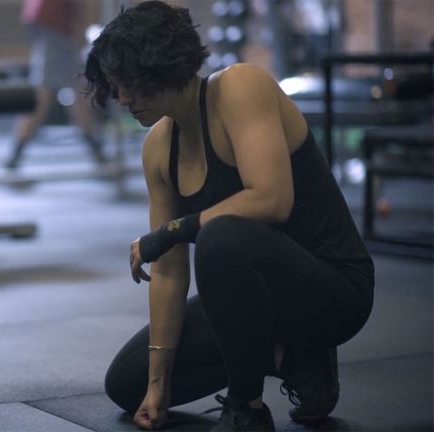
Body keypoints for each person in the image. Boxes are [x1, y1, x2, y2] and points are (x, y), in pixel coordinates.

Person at [82, 2, 374, 431]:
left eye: (130, 84)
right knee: (127, 384)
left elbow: (272, 200)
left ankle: (247, 407)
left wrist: (173, 230)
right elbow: (168, 271)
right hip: (253, 297)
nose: (123, 98)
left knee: (221, 236)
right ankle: (292, 356)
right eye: (116, 86)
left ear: (162, 67)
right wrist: (158, 385)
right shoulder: (160, 147)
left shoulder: (240, 86)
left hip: (332, 290)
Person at [6, 0, 106, 169]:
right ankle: (15, 155)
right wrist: (79, 29)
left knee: (71, 91)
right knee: (44, 95)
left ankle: (95, 148)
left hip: (51, 25)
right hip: (55, 27)